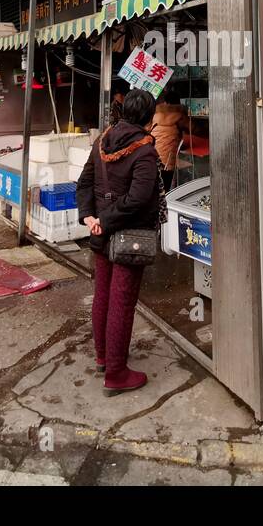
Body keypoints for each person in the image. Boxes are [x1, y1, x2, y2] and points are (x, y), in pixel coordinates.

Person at [76, 88, 162, 396]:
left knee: (103, 294)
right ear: (149, 118)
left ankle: (103, 356)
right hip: (129, 236)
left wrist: (91, 218)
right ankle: (115, 373)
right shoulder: (145, 151)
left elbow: (84, 182)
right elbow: (138, 199)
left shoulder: (102, 141)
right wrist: (106, 221)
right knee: (122, 302)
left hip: (100, 232)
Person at [148, 85, 189, 192]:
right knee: (165, 189)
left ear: (165, 102)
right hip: (167, 161)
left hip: (152, 156)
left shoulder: (155, 114)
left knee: (154, 186)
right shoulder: (179, 115)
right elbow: (192, 130)